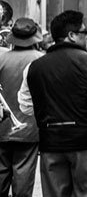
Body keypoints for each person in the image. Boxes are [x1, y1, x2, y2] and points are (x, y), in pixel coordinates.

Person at [17, 10, 87, 196]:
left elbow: (25, 107)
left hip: (51, 143)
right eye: (83, 32)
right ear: (71, 36)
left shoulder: (34, 67)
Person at [0, 18, 44, 196]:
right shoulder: (41, 60)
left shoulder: (1, 59)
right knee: (24, 175)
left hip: (2, 126)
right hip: (31, 126)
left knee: (1, 171)